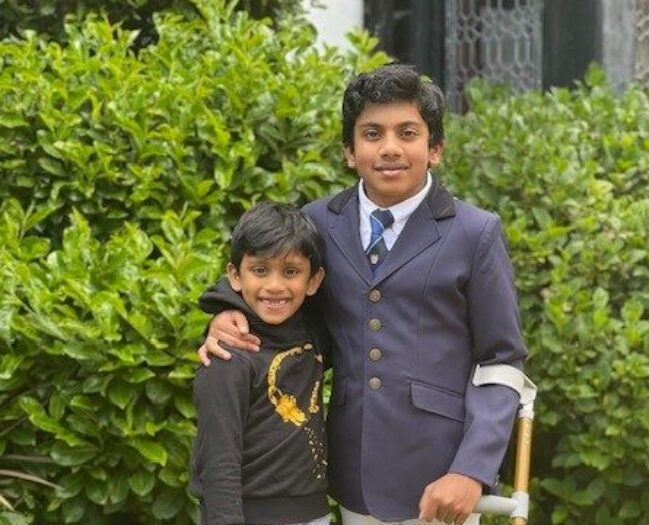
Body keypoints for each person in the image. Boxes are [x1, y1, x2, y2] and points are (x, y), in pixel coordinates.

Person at [198, 64, 528, 525]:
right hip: (347, 472)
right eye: (372, 133)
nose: (389, 148)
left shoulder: (476, 233)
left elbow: (501, 362)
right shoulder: (318, 221)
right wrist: (225, 311)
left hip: (440, 477)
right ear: (349, 151)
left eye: (407, 133)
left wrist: (471, 469)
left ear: (435, 149)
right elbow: (266, 271)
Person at [189, 202, 330, 525]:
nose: (275, 286)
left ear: (313, 280)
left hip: (314, 513)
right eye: (260, 270)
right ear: (235, 275)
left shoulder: (314, 335)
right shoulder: (228, 357)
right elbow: (219, 456)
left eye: (291, 271)